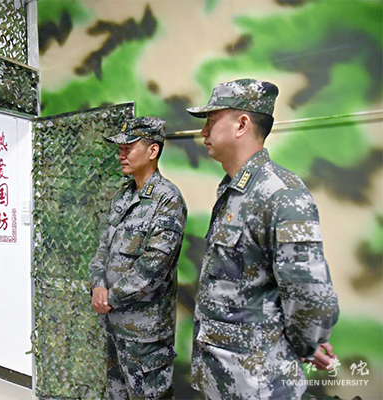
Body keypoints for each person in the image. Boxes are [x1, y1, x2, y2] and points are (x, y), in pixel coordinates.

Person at [186, 79, 339, 399]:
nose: (203, 131)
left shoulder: (280, 193)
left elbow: (310, 295)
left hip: (258, 384)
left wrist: (306, 344)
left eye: (211, 121)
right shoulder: (235, 189)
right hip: (224, 378)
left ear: (242, 124)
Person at [89, 117, 187, 400]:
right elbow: (103, 248)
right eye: (120, 149)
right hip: (115, 327)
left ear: (152, 151)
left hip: (146, 336)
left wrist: (109, 297)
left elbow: (153, 267)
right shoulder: (124, 194)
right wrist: (97, 285)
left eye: (128, 148)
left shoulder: (168, 199)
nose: (121, 154)